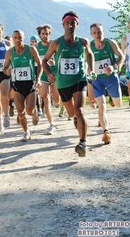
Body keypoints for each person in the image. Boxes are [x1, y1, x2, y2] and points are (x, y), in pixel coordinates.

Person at [42, 11, 96, 157]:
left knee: (80, 110)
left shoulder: (83, 42)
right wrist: (49, 73)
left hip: (79, 79)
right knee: (73, 113)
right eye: (68, 23)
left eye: (73, 22)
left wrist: (91, 68)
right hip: (63, 83)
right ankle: (75, 119)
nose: (70, 25)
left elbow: (89, 53)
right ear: (63, 24)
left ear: (77, 24)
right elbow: (44, 61)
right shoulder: (56, 43)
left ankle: (82, 143)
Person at [3, 30, 42, 141]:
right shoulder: (10, 52)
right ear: (13, 39)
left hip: (30, 83)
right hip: (17, 85)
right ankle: (26, 132)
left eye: (20, 38)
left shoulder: (31, 49)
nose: (18, 40)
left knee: (29, 110)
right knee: (20, 112)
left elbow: (40, 64)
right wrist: (8, 71)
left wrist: (38, 78)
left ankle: (34, 114)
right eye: (15, 38)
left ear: (23, 38)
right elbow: (4, 68)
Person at [89, 23, 125, 143]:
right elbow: (87, 64)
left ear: (103, 31)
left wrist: (114, 66)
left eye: (99, 32)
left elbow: (122, 57)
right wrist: (90, 72)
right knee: (102, 107)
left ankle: (111, 97)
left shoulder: (111, 43)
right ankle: (106, 132)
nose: (97, 35)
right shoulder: (89, 47)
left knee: (118, 104)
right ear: (91, 34)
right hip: (97, 80)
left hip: (111, 79)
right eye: (94, 33)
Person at [35, 24, 60, 135]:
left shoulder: (55, 45)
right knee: (46, 98)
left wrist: (54, 62)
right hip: (44, 76)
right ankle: (51, 124)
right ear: (39, 35)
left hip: (55, 74)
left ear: (50, 34)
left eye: (47, 34)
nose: (45, 36)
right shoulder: (36, 47)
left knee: (56, 101)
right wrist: (37, 78)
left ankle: (58, 105)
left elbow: (61, 58)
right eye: (43, 34)